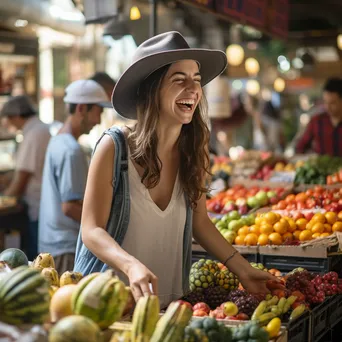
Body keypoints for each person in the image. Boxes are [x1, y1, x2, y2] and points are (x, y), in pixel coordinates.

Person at [74, 31, 276, 308]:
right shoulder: (114, 147)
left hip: (170, 303)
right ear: (151, 89)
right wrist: (131, 266)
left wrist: (242, 269)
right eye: (179, 79)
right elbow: (91, 229)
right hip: (111, 305)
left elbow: (200, 222)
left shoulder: (193, 151)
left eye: (196, 79)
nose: (193, 89)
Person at [38, 79, 111, 274]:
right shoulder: (71, 150)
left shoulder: (59, 141)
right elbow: (70, 207)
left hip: (54, 246)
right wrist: (106, 227)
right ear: (81, 109)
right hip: (65, 249)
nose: (98, 120)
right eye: (98, 112)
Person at [0, 95, 50, 260]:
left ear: (16, 116)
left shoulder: (34, 134)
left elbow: (21, 178)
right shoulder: (38, 130)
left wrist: (5, 198)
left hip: (37, 208)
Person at [296, 78, 342, 156]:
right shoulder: (316, 121)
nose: (327, 107)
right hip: (322, 166)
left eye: (332, 103)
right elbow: (300, 147)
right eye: (325, 102)